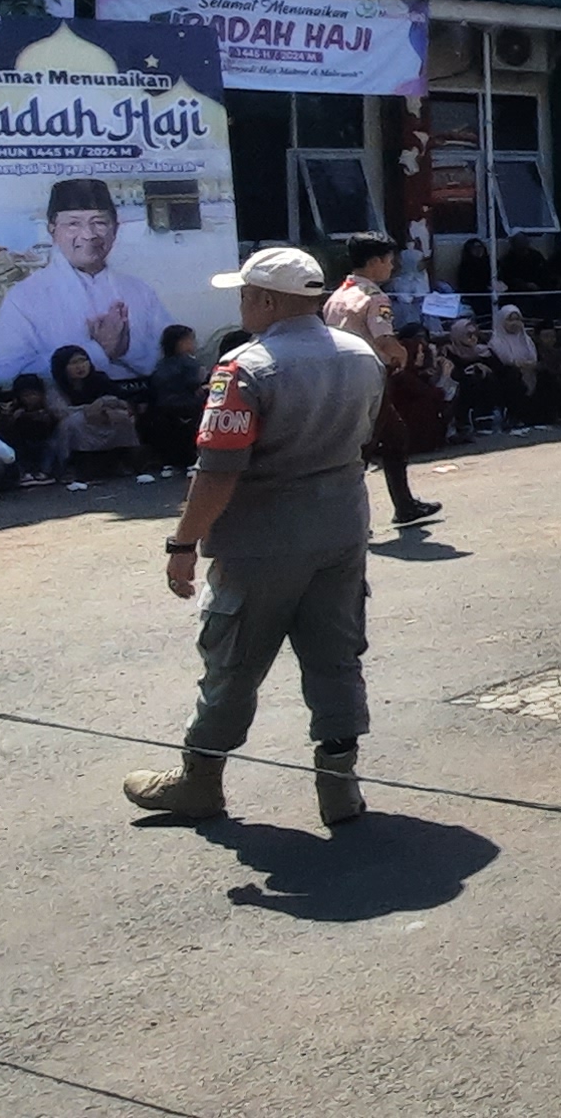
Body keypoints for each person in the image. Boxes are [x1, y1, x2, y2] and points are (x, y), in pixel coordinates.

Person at [123, 246, 391, 828]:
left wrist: (182, 545)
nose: (241, 303)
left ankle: (200, 782)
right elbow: (363, 435)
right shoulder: (360, 355)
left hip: (261, 540)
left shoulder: (246, 367)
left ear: (267, 300)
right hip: (342, 526)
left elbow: (219, 470)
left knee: (233, 661)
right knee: (336, 657)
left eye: (245, 294)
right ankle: (339, 788)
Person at [0, 178, 173, 385]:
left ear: (115, 229)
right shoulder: (25, 296)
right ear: (53, 230)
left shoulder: (138, 290)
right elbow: (5, 374)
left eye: (99, 223)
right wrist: (97, 351)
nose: (88, 235)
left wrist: (126, 348)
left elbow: (171, 353)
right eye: (73, 224)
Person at [321, 235, 441, 525]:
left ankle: (404, 504)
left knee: (393, 437)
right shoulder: (375, 297)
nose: (392, 267)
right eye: (389, 261)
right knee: (364, 448)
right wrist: (402, 356)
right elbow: (384, 339)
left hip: (340, 376)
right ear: (374, 262)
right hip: (370, 376)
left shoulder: (337, 296)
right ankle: (344, 517)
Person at [42, 347, 152, 481]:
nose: (80, 366)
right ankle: (71, 467)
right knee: (74, 422)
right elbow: (60, 411)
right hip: (76, 422)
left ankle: (123, 460)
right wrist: (89, 409)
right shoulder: (56, 386)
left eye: (83, 361)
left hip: (102, 417)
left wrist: (105, 405)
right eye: (73, 363)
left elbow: (119, 400)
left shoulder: (100, 379)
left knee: (121, 418)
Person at [142, 325, 210, 471]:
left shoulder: (161, 364)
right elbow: (194, 385)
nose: (194, 344)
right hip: (187, 405)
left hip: (162, 407)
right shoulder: (189, 363)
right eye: (190, 340)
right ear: (180, 343)